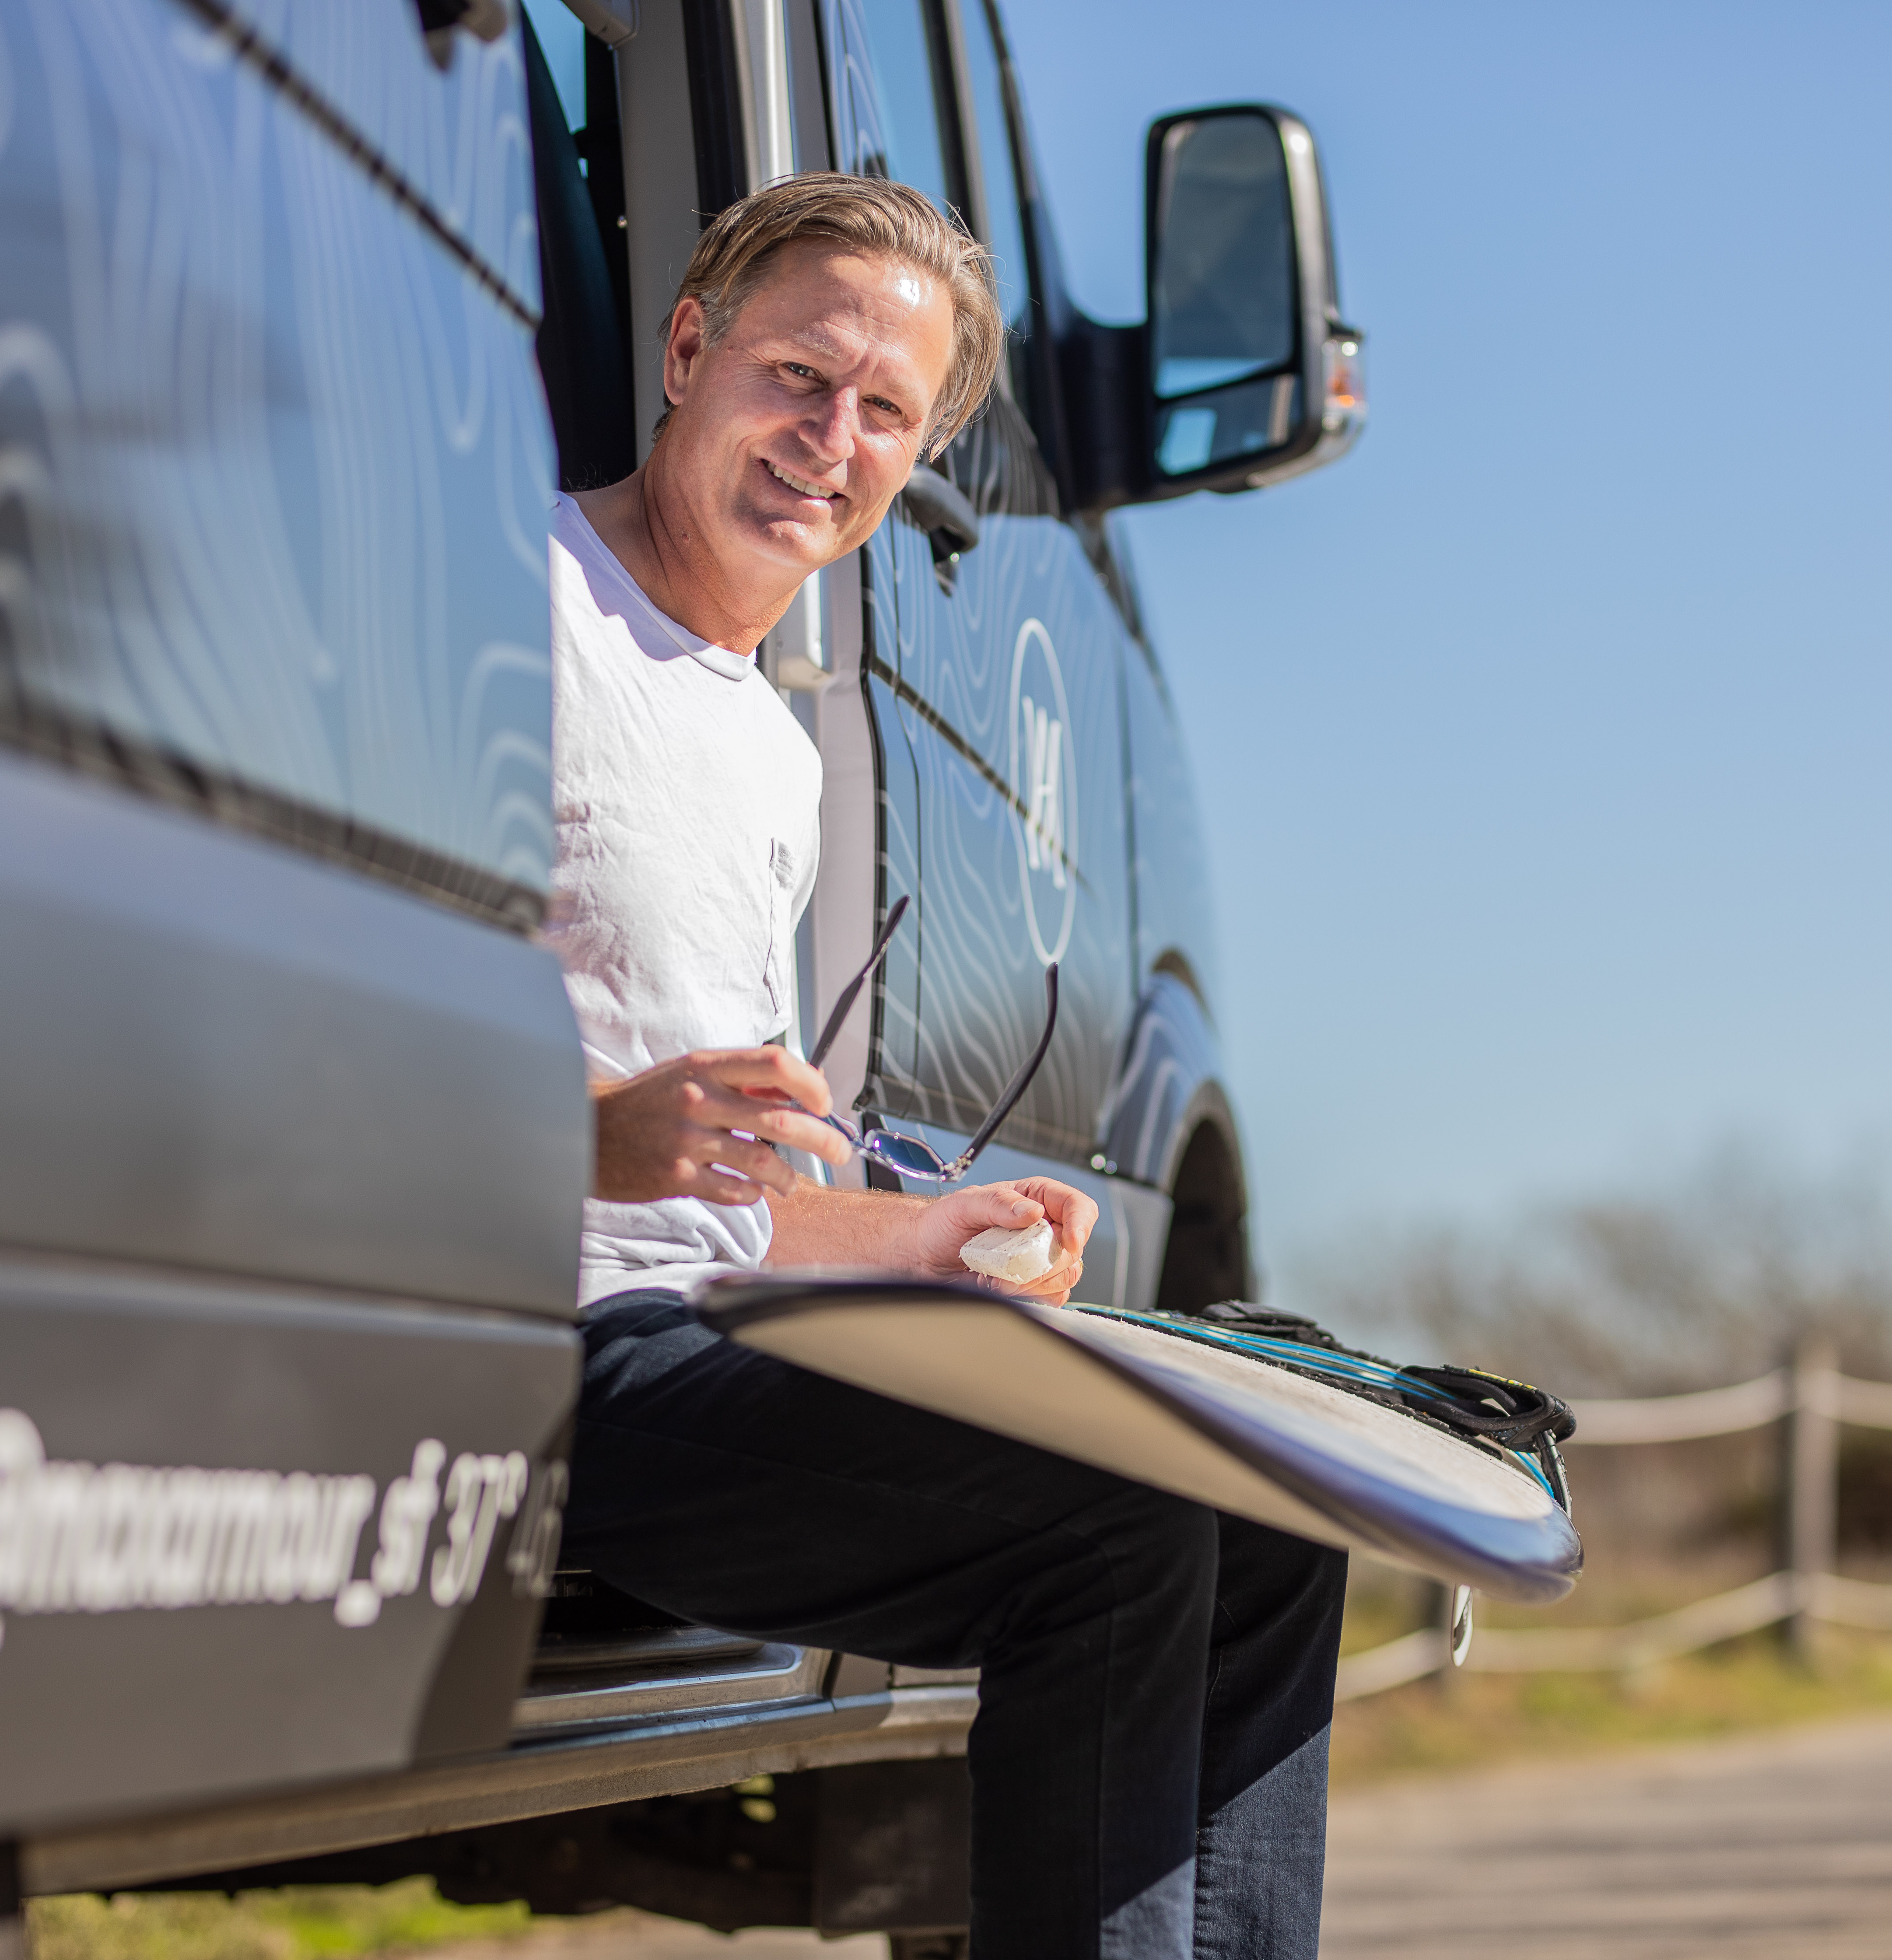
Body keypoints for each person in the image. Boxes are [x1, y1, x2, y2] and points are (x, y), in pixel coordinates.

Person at [543, 174, 1347, 1960]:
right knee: (1125, 1525)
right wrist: (584, 1139)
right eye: (795, 377)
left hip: (697, 1341)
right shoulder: (517, 611)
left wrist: (921, 1240)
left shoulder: (762, 745)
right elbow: (299, 1053)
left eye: (884, 412)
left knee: (1271, 1490)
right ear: (687, 351)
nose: (829, 441)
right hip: (531, 1359)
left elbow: (716, 1202)